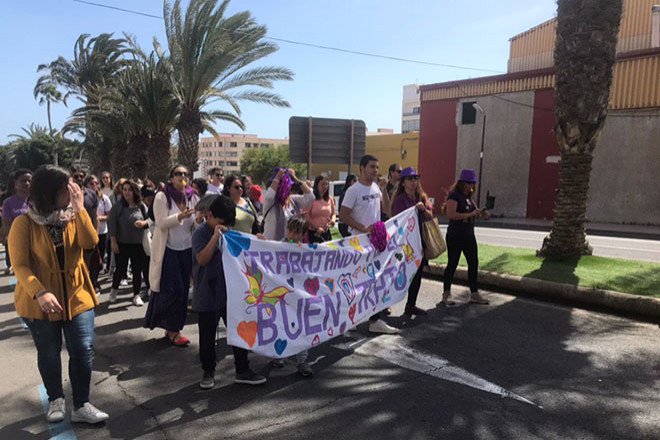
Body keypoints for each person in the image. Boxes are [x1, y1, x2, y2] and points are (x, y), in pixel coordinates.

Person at [9, 165, 108, 424]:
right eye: (67, 188)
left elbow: (90, 242)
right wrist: (39, 292)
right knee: (49, 352)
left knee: (82, 349)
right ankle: (56, 399)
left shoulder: (73, 216)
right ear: (49, 192)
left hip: (77, 295)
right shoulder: (24, 223)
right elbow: (20, 266)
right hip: (41, 302)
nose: (73, 191)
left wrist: (81, 209)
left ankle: (82, 405)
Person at [193, 195, 267, 389]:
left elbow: (244, 248)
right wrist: (215, 238)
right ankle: (208, 371)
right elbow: (202, 259)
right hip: (206, 292)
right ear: (210, 215)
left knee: (238, 329)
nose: (224, 227)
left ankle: (242, 369)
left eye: (227, 224)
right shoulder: (201, 233)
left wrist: (258, 241)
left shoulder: (228, 231)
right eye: (221, 222)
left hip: (228, 292)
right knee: (207, 336)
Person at [339, 154, 398, 334]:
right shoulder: (354, 190)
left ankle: (375, 320)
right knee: (355, 281)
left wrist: (384, 190)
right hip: (358, 242)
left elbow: (387, 209)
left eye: (377, 167)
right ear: (362, 168)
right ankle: (348, 318)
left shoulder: (376, 187)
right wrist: (363, 228)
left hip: (375, 242)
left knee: (375, 280)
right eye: (372, 167)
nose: (375, 170)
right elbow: (343, 215)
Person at [144, 165, 198, 346]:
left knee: (183, 291)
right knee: (174, 291)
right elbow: (160, 223)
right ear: (171, 178)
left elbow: (193, 225)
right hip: (169, 250)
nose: (183, 177)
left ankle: (173, 328)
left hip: (187, 249)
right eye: (178, 174)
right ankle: (173, 330)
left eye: (185, 174)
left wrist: (198, 221)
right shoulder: (162, 196)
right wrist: (180, 217)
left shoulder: (192, 197)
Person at [442, 169, 490, 305]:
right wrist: (470, 214)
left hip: (468, 235)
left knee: (473, 263)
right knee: (452, 263)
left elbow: (473, 212)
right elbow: (451, 214)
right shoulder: (454, 196)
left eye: (473, 183)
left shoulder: (469, 197)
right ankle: (446, 293)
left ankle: (474, 293)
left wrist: (482, 214)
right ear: (462, 183)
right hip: (455, 235)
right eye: (469, 183)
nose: (471, 186)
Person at [390, 167, 433, 316]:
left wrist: (423, 209)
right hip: (404, 242)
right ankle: (384, 304)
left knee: (417, 274)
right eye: (410, 179)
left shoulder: (421, 197)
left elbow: (430, 217)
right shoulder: (399, 200)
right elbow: (398, 221)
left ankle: (411, 304)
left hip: (419, 240)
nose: (414, 181)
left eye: (416, 178)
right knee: (398, 273)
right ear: (403, 183)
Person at [108, 180, 148, 306]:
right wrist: (113, 242)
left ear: (134, 191)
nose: (126, 192)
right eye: (124, 189)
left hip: (138, 244)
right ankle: (114, 290)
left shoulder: (141, 206)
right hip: (121, 243)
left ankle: (136, 295)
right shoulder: (118, 206)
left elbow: (149, 221)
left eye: (129, 189)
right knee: (120, 269)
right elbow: (112, 224)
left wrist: (143, 223)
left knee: (137, 270)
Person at [262, 168, 314, 241]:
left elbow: (311, 197)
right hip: (273, 245)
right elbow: (269, 196)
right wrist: (278, 177)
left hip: (290, 243)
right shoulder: (270, 202)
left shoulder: (293, 200)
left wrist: (297, 180)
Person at [1, 168, 32, 275]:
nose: (27, 183)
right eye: (23, 181)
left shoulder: (37, 201)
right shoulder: (8, 203)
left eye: (29, 181)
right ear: (15, 183)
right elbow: (7, 224)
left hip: (36, 241)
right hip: (18, 242)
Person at [84, 175, 108, 290]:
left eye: (96, 183)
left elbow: (107, 215)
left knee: (99, 260)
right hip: (87, 234)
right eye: (91, 183)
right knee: (88, 261)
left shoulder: (104, 198)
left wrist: (99, 220)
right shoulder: (83, 197)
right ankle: (90, 282)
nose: (94, 185)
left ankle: (95, 280)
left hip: (101, 233)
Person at [305, 175, 336, 243]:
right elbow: (306, 215)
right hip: (313, 232)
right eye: (322, 184)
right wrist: (317, 227)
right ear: (317, 185)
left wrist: (333, 220)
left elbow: (333, 214)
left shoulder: (330, 199)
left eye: (326, 184)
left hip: (326, 232)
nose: (325, 186)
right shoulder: (312, 198)